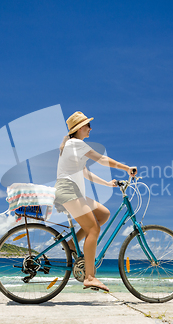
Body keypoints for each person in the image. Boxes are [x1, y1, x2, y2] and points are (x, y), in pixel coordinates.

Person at [54, 111, 137, 292]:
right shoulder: (75, 143)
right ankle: (90, 277)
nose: (90, 128)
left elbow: (85, 173)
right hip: (69, 192)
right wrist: (126, 168)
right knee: (93, 228)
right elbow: (102, 159)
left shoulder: (73, 146)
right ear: (79, 128)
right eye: (88, 125)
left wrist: (107, 183)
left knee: (103, 214)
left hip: (73, 192)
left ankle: (70, 245)